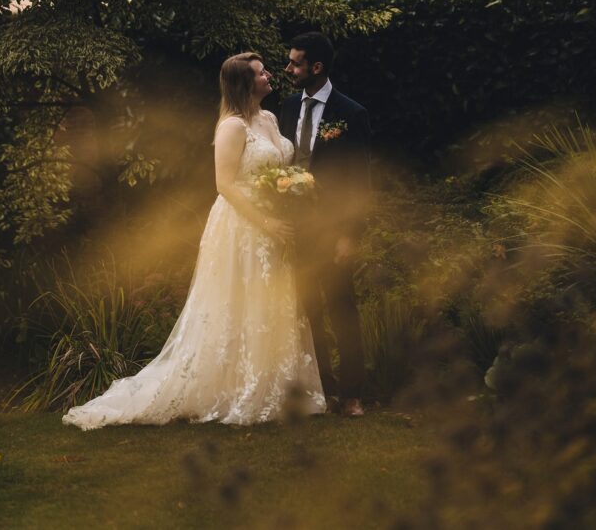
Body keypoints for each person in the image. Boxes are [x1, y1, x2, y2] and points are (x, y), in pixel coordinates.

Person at [63, 52, 325, 429]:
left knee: (271, 300)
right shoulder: (231, 127)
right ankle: (236, 389)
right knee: (239, 302)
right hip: (244, 225)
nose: (269, 74)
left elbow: (280, 167)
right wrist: (267, 221)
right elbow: (225, 184)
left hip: (274, 224)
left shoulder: (267, 118)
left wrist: (291, 194)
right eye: (260, 71)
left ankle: (280, 387)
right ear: (243, 83)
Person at [279, 32, 371, 418]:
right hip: (292, 229)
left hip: (332, 230)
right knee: (307, 311)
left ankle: (352, 394)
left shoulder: (351, 114)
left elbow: (360, 183)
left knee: (341, 310)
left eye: (295, 62)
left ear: (316, 67)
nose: (288, 68)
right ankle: (324, 388)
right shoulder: (283, 109)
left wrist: (350, 235)